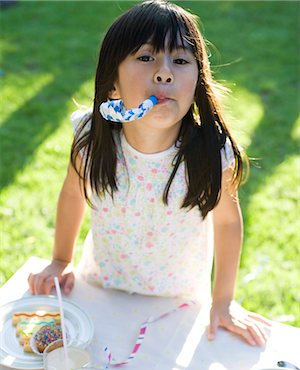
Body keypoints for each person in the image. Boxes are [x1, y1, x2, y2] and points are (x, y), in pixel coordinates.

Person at [28, 0, 270, 346]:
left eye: (181, 60)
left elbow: (228, 222)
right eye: (146, 57)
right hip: (100, 288)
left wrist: (223, 301)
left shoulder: (210, 153)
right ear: (112, 83)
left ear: (197, 80)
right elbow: (72, 193)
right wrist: (60, 259)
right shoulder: (91, 140)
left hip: (178, 305)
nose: (164, 72)